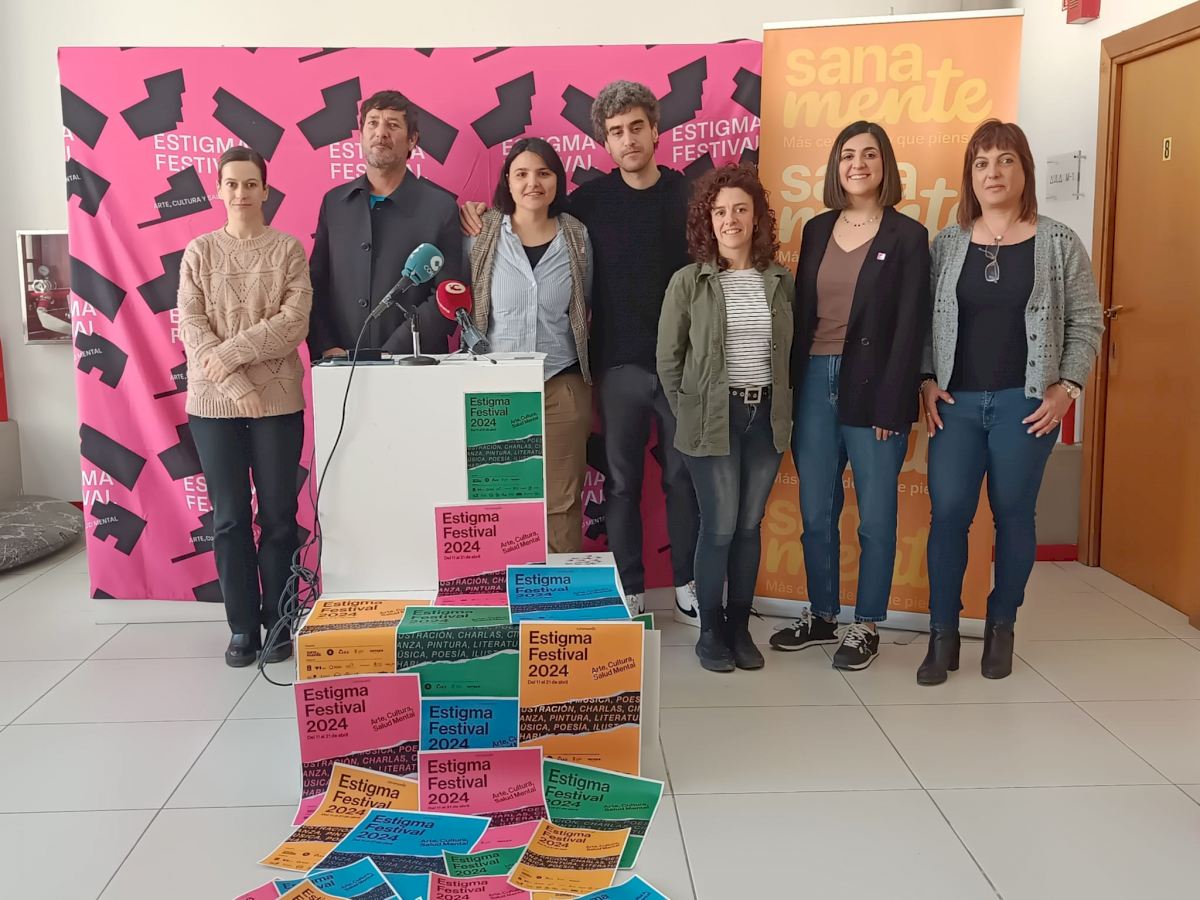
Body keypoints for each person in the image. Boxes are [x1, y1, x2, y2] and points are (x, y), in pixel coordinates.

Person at [462, 81, 700, 624]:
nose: (628, 139)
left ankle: (686, 582)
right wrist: (476, 214)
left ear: (655, 130)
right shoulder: (588, 205)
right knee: (620, 483)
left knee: (681, 478)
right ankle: (629, 587)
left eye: (636, 127)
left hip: (680, 366)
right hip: (615, 365)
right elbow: (528, 219)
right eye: (616, 132)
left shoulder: (689, 194)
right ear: (605, 143)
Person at [917, 119, 1103, 684]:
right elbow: (923, 322)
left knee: (1014, 514)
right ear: (969, 176)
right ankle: (943, 634)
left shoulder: (1058, 242)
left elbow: (1087, 322)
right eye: (981, 163)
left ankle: (1001, 626)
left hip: (1026, 407)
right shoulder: (947, 243)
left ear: (1024, 170)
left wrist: (1067, 388)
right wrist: (926, 379)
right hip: (956, 404)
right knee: (949, 513)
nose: (993, 172)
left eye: (1005, 161)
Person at [768, 121, 931, 671]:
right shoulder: (816, 229)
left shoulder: (908, 236)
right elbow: (803, 313)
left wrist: (893, 402)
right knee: (816, 510)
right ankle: (822, 616)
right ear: (836, 167)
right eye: (846, 156)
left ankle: (866, 623)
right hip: (815, 379)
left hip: (876, 385)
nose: (857, 164)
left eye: (868, 154)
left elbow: (910, 327)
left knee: (875, 517)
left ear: (885, 164)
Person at [177, 147, 312, 667]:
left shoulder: (287, 250)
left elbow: (292, 323)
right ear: (218, 190)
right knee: (230, 519)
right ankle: (240, 628)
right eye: (231, 184)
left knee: (278, 516)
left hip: (277, 403)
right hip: (214, 406)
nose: (240, 193)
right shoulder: (199, 252)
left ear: (265, 190)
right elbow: (192, 328)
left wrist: (233, 356)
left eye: (250, 183)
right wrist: (237, 389)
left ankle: (278, 621)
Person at [657, 164, 795, 672]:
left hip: (766, 416)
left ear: (756, 218)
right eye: (720, 212)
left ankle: (739, 628)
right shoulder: (688, 282)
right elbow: (668, 360)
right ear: (707, 220)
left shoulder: (779, 280)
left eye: (740, 209)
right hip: (711, 418)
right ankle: (710, 631)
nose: (730, 219)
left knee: (749, 526)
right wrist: (690, 414)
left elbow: (790, 353)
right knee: (718, 527)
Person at [467, 138, 593, 552]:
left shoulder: (576, 236)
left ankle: (560, 589)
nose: (532, 183)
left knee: (561, 502)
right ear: (507, 181)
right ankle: (504, 583)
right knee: (499, 499)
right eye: (521, 174)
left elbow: (586, 301)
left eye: (543, 173)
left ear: (557, 180)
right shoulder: (482, 233)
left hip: (560, 383)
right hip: (495, 390)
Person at [308, 91, 462, 360]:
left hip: (415, 363)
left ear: (412, 140)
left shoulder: (440, 208)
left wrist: (392, 352)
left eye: (392, 125)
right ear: (360, 135)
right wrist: (326, 345)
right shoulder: (334, 203)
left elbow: (446, 294)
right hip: (342, 362)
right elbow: (315, 284)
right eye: (373, 123)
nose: (381, 133)